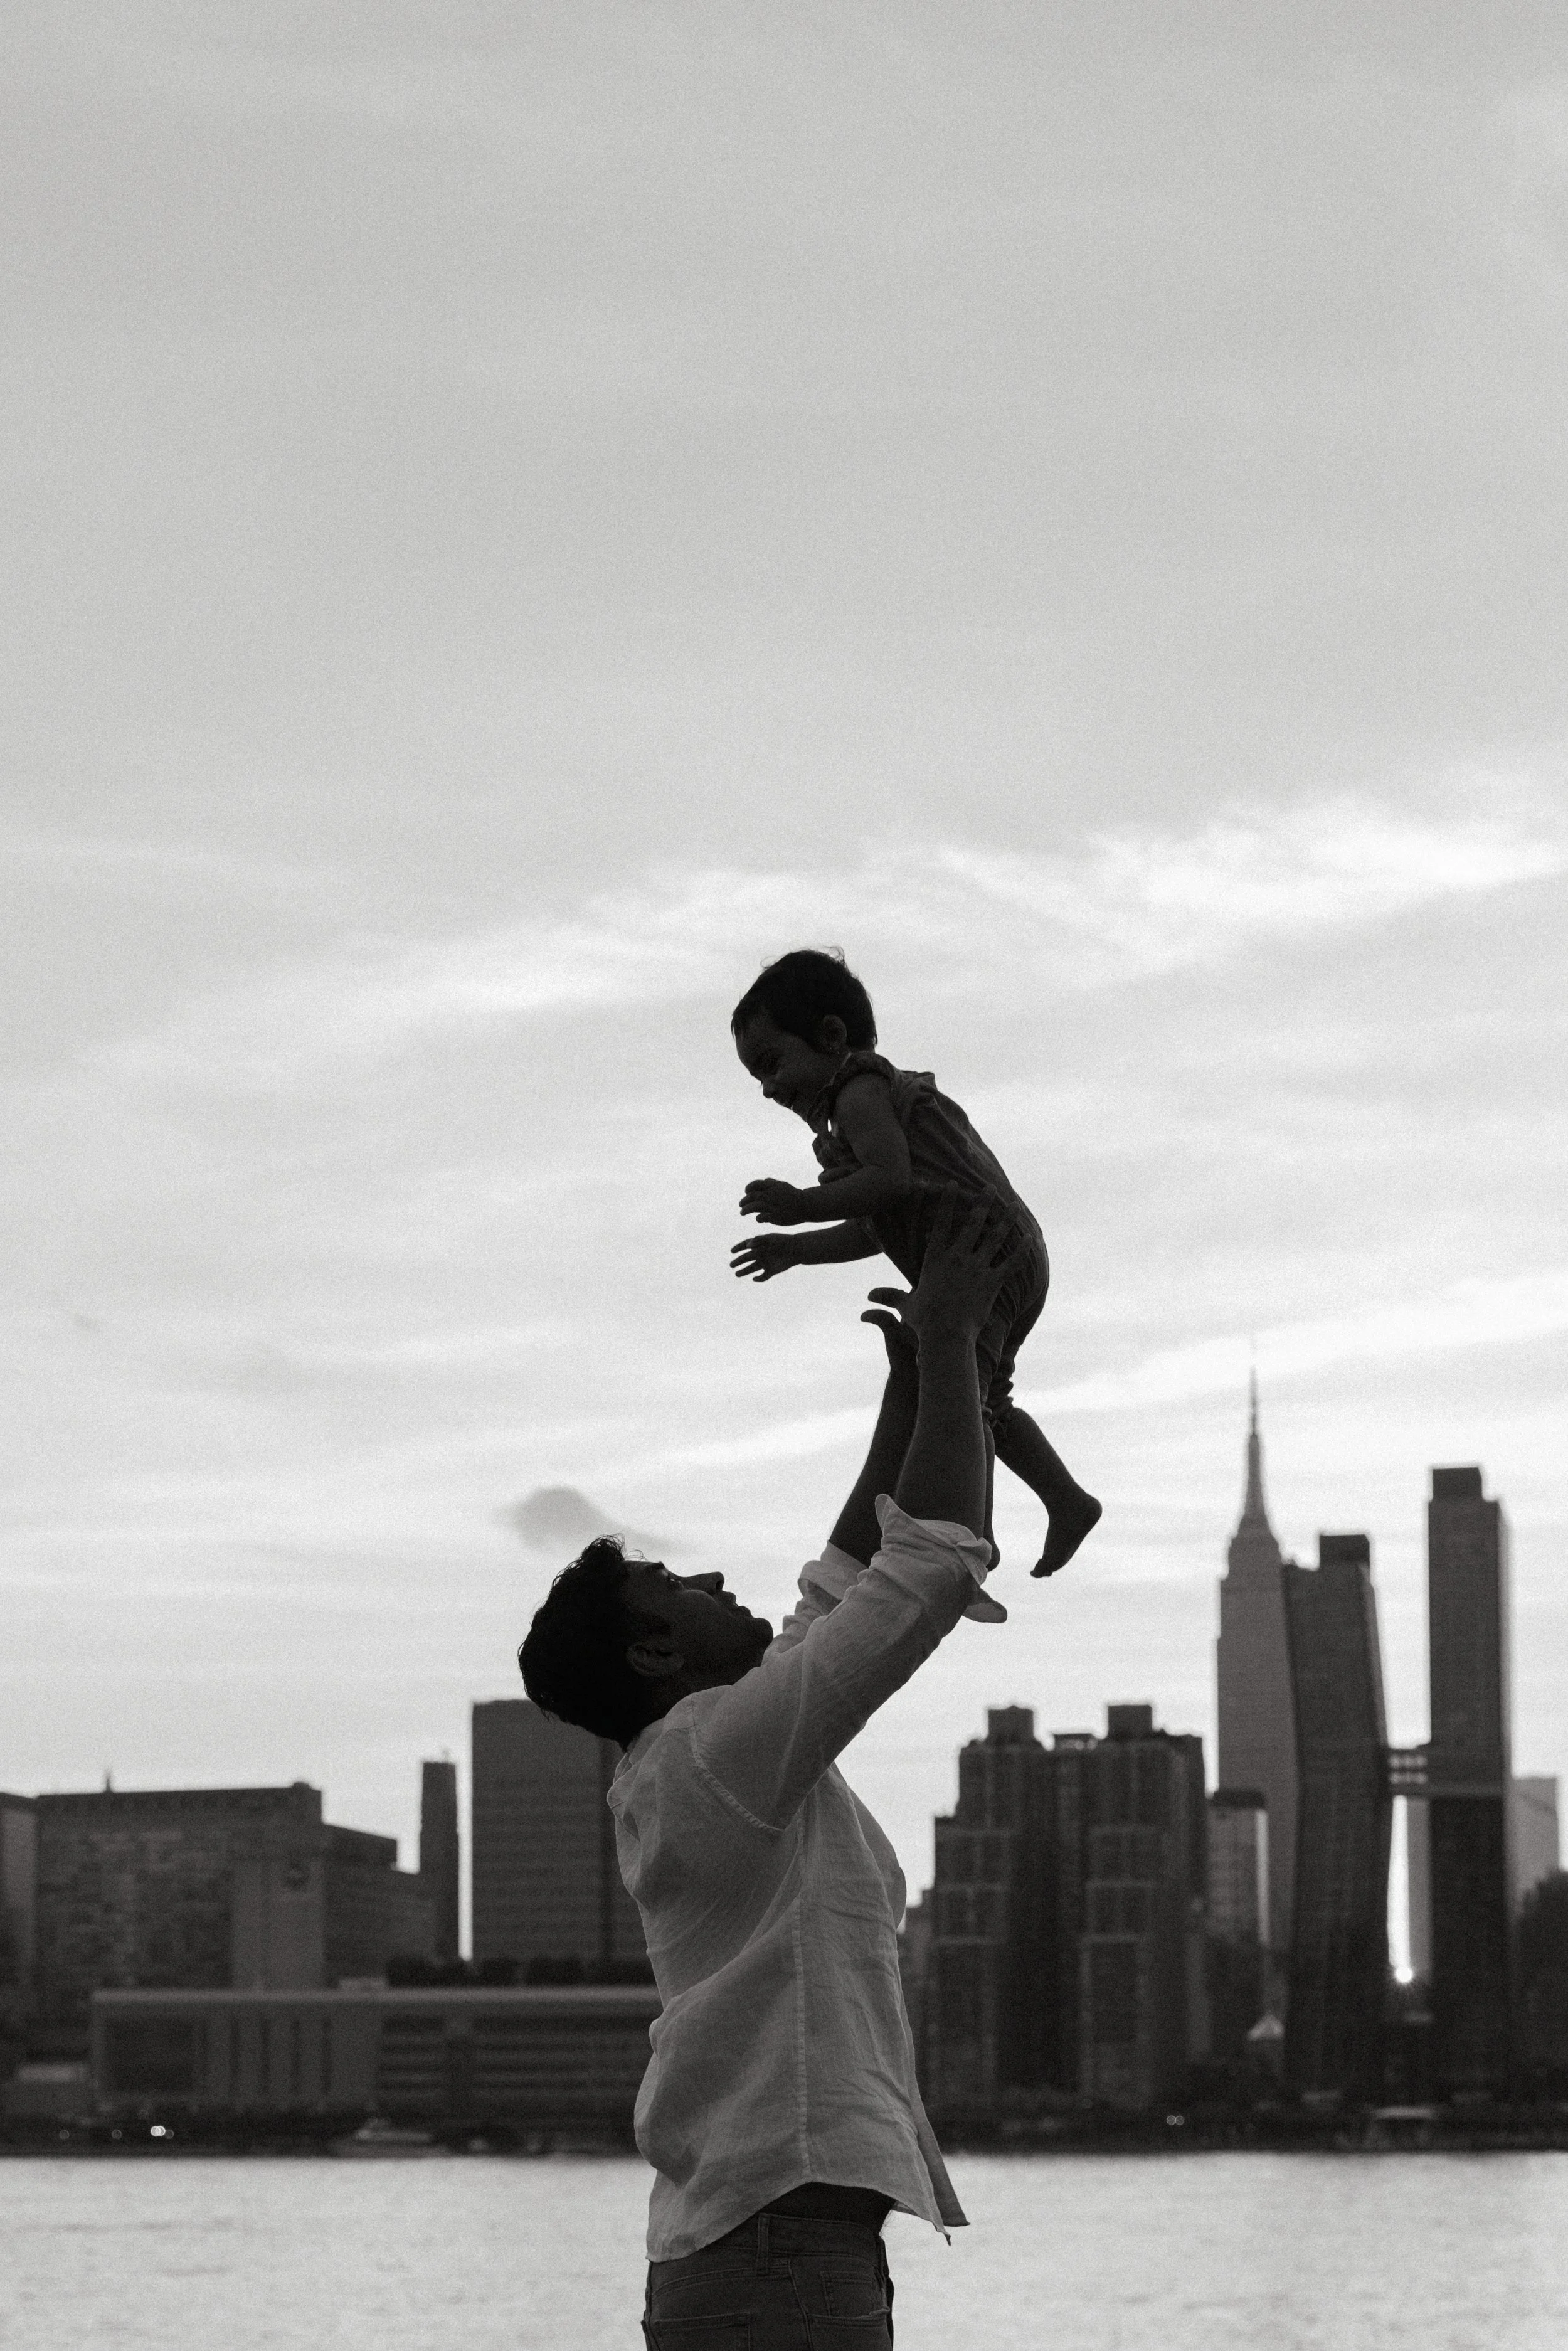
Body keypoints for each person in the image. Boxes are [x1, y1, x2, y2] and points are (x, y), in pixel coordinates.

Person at [520, 1192, 1029, 2349]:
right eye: (677, 1585)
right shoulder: (713, 1757)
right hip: (779, 2256)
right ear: (656, 1649)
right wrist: (950, 1343)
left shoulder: (705, 1757)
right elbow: (926, 1569)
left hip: (769, 2252)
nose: (710, 1576)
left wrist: (908, 1384)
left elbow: (841, 1581)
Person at [730, 945, 1100, 1581]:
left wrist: (801, 1205)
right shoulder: (861, 1118)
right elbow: (878, 1223)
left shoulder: (859, 1092)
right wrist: (799, 1250)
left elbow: (888, 1182)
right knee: (981, 1396)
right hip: (996, 1253)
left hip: (980, 1253)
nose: (768, 1090)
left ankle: (971, 1528)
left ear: (829, 1035)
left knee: (963, 1395)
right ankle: (1064, 1499)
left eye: (772, 1064)